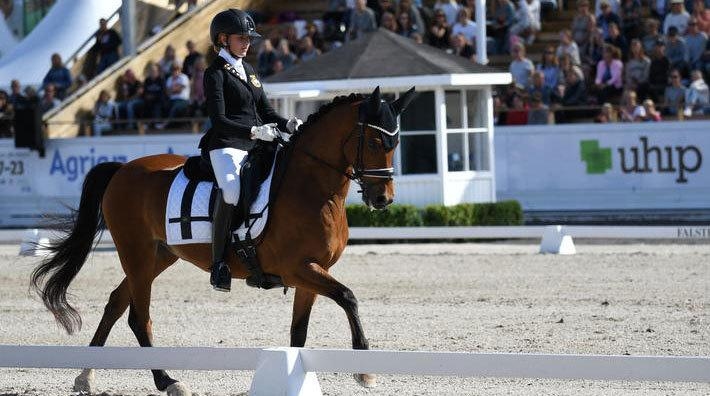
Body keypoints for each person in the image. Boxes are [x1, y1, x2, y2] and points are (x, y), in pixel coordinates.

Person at [201, 9, 303, 292]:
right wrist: (253, 131)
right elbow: (219, 120)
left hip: (257, 143)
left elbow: (266, 111)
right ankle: (219, 263)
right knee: (232, 192)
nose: (247, 43)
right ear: (223, 39)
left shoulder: (249, 70)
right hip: (226, 145)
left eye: (249, 39)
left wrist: (288, 124)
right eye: (241, 38)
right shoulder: (215, 73)